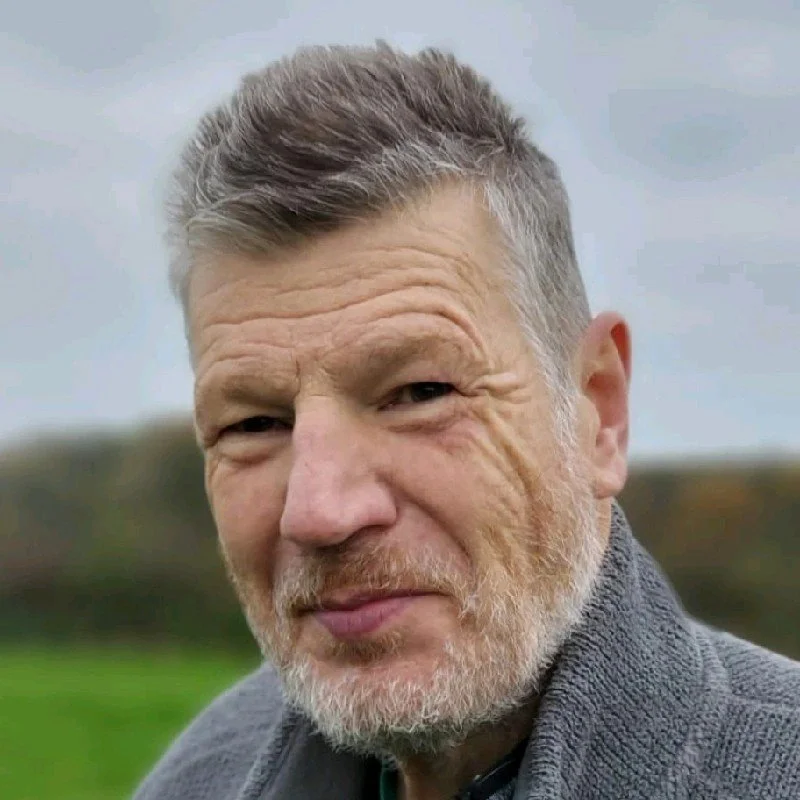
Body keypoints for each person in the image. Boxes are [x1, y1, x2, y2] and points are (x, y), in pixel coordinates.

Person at [134, 42, 800, 800]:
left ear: (599, 410)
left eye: (420, 392)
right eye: (254, 424)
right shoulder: (199, 778)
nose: (319, 511)